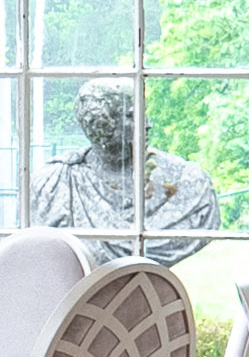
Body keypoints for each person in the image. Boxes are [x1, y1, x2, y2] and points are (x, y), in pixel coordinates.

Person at [27, 76, 230, 262]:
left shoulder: (189, 183)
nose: (148, 124)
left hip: (157, 295)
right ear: (102, 124)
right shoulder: (54, 184)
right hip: (77, 296)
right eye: (133, 116)